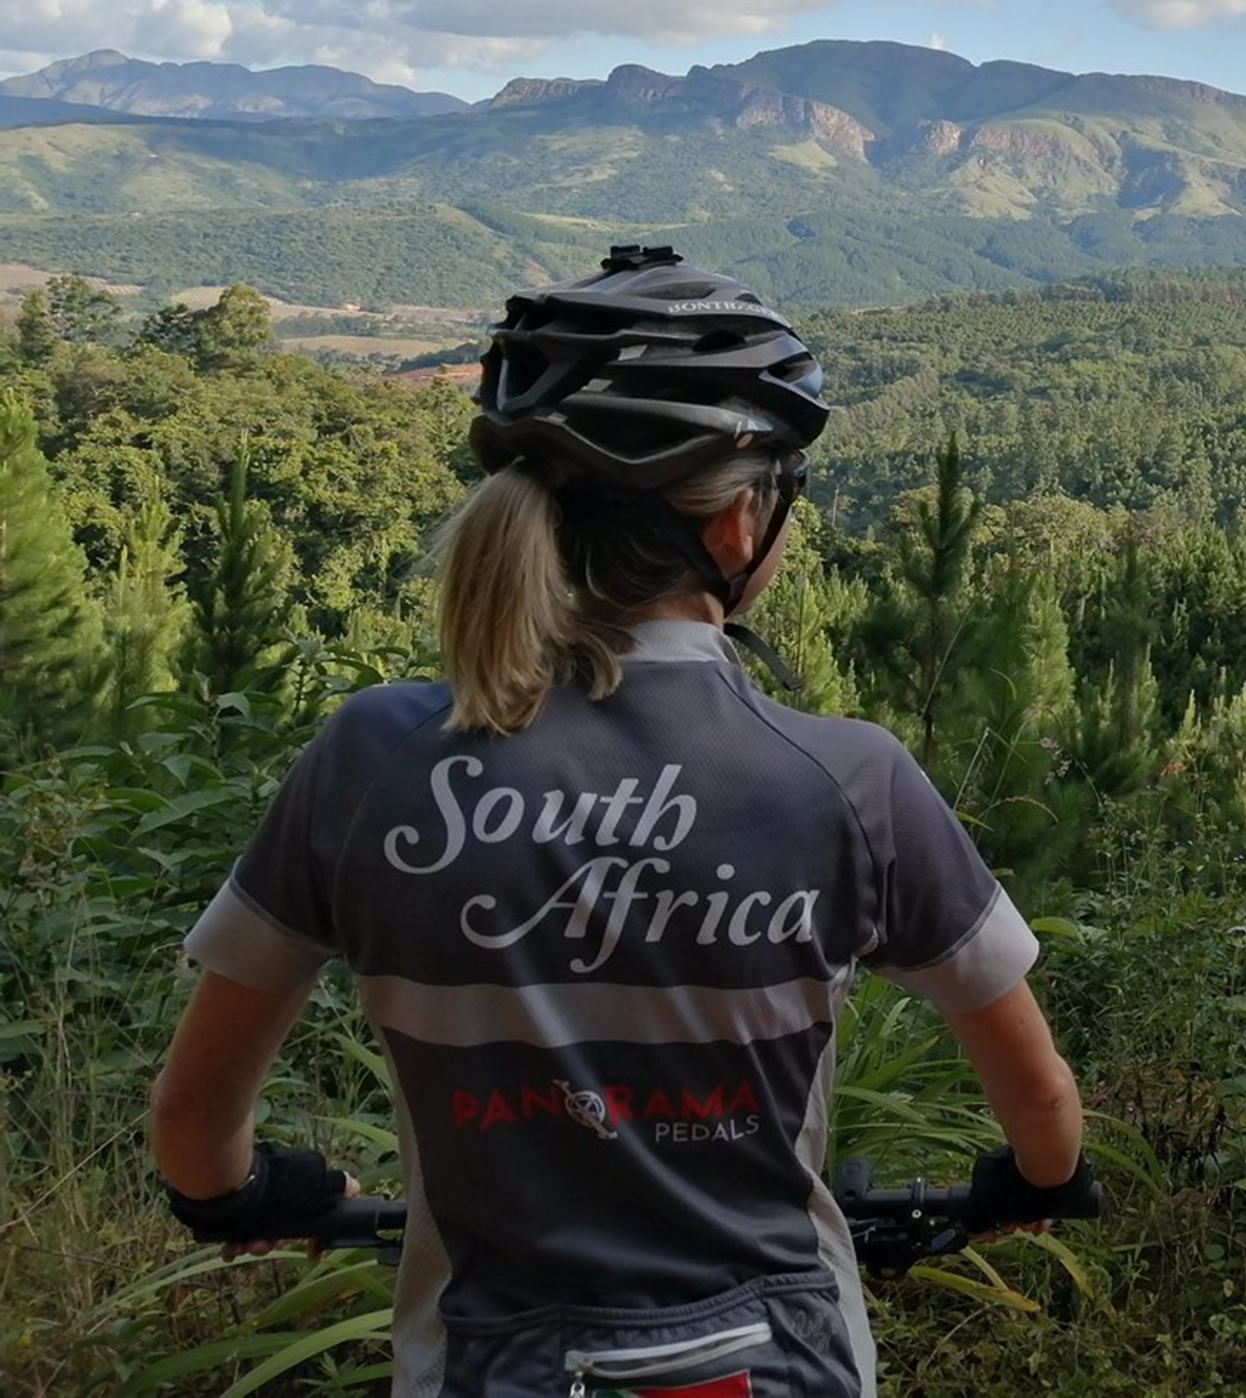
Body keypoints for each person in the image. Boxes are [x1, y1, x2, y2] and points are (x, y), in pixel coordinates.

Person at [150, 245, 1097, 1398]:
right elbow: (1043, 1105)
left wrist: (248, 1191)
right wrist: (1035, 1180)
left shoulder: (371, 757)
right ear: (741, 523)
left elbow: (195, 1126)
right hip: (780, 1355)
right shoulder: (850, 778)